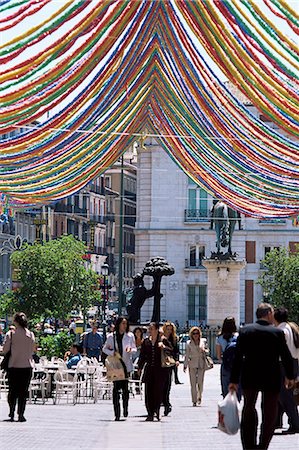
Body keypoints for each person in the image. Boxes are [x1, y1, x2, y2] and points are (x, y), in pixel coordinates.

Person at [229, 303, 295, 450]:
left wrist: (233, 380)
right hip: (271, 376)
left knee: (249, 407)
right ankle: (263, 444)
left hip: (250, 375)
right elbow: (286, 356)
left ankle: (249, 445)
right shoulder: (277, 333)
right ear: (269, 314)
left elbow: (238, 358)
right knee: (270, 411)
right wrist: (290, 376)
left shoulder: (245, 331)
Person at [3, 312, 35, 422]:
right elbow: (32, 350)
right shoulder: (31, 334)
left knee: (12, 390)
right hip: (27, 366)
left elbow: (5, 350)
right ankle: (21, 414)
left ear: (15, 322)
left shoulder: (10, 334)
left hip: (14, 366)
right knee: (23, 392)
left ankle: (11, 412)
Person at [138, 322, 173, 421]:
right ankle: (149, 412)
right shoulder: (146, 341)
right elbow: (142, 356)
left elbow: (173, 352)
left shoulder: (163, 340)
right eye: (149, 329)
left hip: (160, 370)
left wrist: (164, 347)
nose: (150, 331)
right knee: (148, 391)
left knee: (158, 391)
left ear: (157, 330)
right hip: (149, 369)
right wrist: (140, 367)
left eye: (152, 329)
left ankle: (156, 410)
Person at [103, 317, 136, 421]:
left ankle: (125, 407)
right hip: (116, 366)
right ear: (118, 324)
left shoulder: (130, 336)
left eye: (126, 324)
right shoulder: (111, 337)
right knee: (116, 389)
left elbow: (134, 348)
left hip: (126, 365)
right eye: (122, 323)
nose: (124, 326)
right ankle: (117, 413)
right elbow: (104, 349)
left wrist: (131, 350)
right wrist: (112, 353)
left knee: (125, 389)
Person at [273, 307, 299, 434]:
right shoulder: (291, 328)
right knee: (285, 394)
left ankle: (295, 423)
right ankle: (279, 421)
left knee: (285, 396)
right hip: (293, 363)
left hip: (284, 364)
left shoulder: (281, 331)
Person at [216, 316, 241, 400]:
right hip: (237, 365)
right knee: (237, 388)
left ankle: (227, 408)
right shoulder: (238, 336)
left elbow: (218, 356)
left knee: (226, 389)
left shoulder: (219, 337)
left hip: (226, 365)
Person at [183, 326, 209, 406]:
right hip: (192, 363)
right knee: (193, 383)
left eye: (197, 333)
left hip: (201, 363)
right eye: (194, 333)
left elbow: (208, 351)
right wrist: (185, 365)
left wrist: (204, 350)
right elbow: (186, 355)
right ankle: (194, 400)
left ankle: (199, 397)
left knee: (200, 382)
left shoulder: (203, 341)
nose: (196, 335)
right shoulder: (188, 343)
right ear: (191, 334)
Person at [162, 321, 181, 416]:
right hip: (162, 363)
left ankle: (166, 403)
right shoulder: (161, 338)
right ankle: (165, 402)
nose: (169, 331)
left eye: (170, 329)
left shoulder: (174, 339)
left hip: (170, 363)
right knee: (162, 384)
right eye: (167, 329)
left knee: (168, 384)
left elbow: (176, 351)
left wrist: (177, 360)